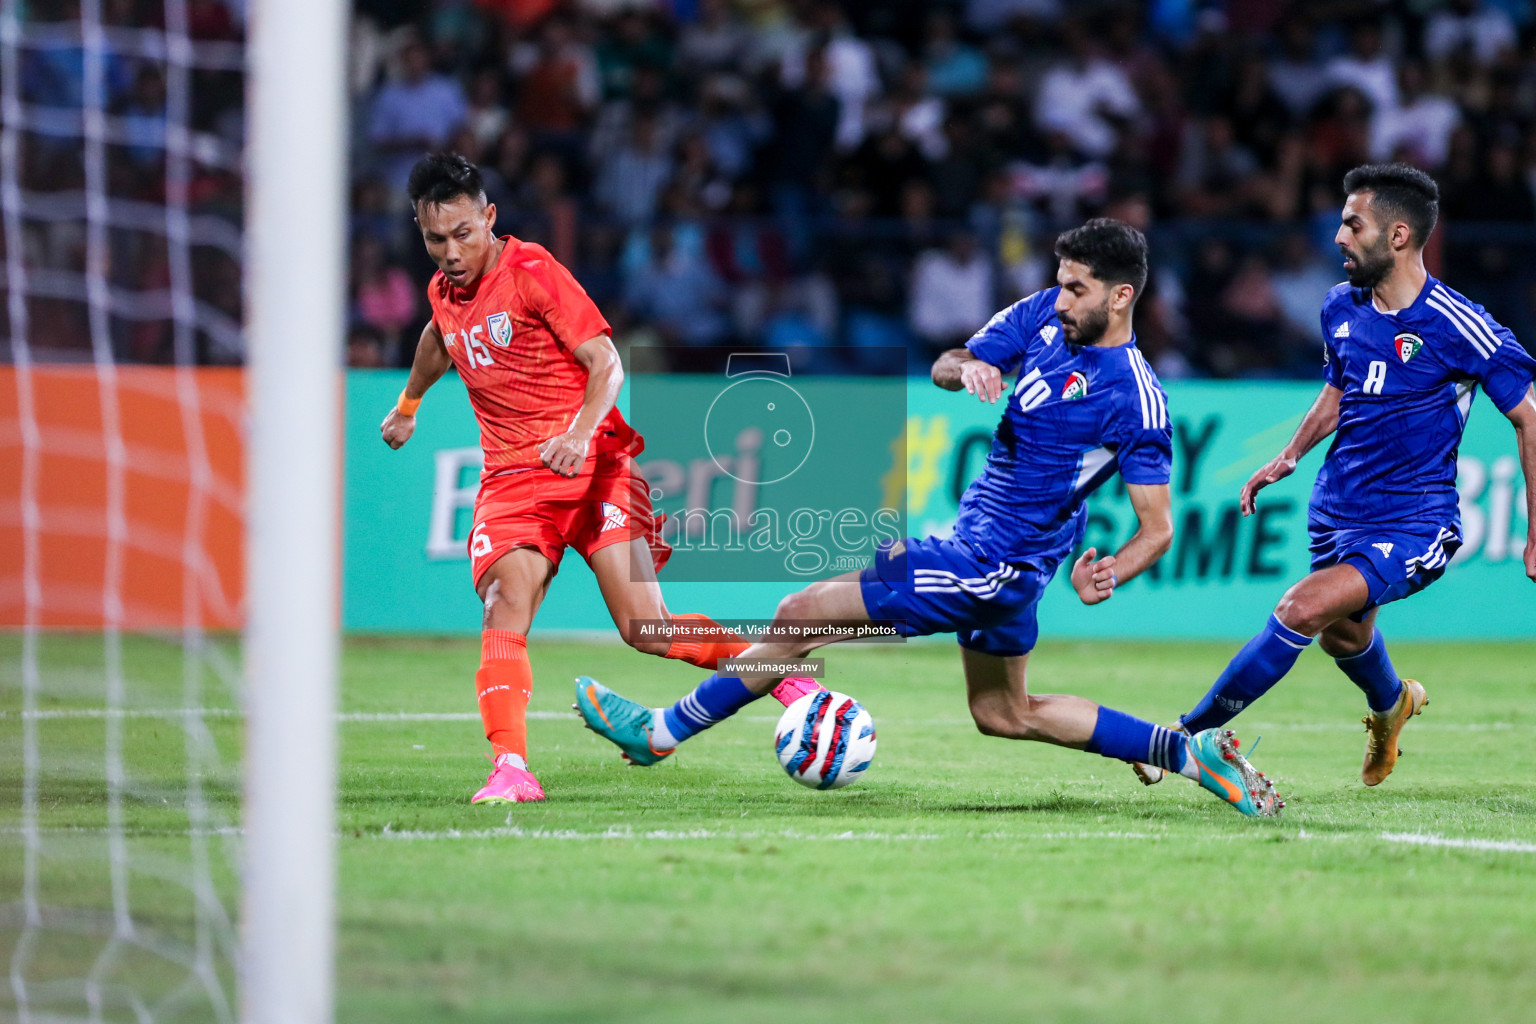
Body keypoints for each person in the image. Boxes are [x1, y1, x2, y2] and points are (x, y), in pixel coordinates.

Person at [575, 219, 1284, 819]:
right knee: (1005, 714)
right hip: (991, 558)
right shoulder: (1041, 315)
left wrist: (1113, 572)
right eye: (1061, 282)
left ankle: (661, 733)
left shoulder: (1136, 398)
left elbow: (1157, 526)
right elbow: (951, 360)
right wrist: (969, 370)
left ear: (1121, 296)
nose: (1062, 298)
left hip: (992, 563)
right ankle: (1190, 755)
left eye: (1078, 289)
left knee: (801, 613)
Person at [381, 154, 818, 805]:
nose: (449, 252)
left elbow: (606, 362)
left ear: (490, 218)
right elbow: (438, 339)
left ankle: (780, 673)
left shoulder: (531, 272)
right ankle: (511, 768)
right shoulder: (445, 292)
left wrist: (579, 435)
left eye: (463, 234)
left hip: (594, 467)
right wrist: (408, 405)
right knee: (505, 604)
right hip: (513, 483)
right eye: (434, 238)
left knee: (649, 628)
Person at [1135, 164, 1536, 789]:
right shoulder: (1340, 307)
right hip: (1336, 507)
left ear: (1399, 235)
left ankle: (1184, 737)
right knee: (1344, 637)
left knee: (1303, 608)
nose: (1339, 237)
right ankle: (1393, 703)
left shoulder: (1458, 325)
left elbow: (1528, 420)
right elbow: (1339, 388)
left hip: (1414, 520)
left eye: (1353, 224)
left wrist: (1535, 535)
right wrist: (1292, 452)